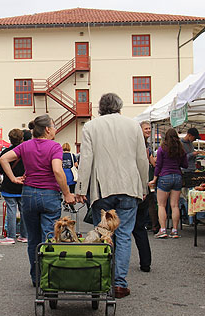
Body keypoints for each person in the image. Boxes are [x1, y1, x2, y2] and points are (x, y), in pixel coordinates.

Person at [75, 93, 148, 298]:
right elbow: (141, 159)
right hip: (129, 186)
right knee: (124, 235)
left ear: (100, 108)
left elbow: (86, 159)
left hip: (102, 188)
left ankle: (101, 278)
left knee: (104, 234)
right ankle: (119, 283)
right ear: (120, 106)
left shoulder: (91, 126)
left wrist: (81, 188)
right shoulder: (133, 125)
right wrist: (144, 186)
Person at [0, 114, 75, 286]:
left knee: (33, 238)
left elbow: (3, 159)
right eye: (54, 126)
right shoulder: (55, 146)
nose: (55, 129)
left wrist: (13, 178)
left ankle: (36, 277)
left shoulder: (25, 145)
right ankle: (49, 276)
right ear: (48, 129)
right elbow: (57, 170)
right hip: (49, 194)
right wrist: (67, 193)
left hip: (29, 194)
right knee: (49, 237)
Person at [148, 128, 188, 239]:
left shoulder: (162, 149)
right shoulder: (181, 149)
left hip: (164, 177)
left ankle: (163, 229)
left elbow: (158, 166)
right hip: (177, 177)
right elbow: (185, 164)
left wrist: (154, 179)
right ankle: (175, 230)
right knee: (175, 205)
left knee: (161, 205)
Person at [0, 129, 28, 244]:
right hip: (24, 184)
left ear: (10, 139)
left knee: (11, 210)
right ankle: (24, 235)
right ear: (22, 138)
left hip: (9, 184)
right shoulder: (26, 151)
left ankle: (10, 236)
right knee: (24, 210)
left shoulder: (6, 152)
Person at [132, 121, 153, 272]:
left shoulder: (131, 146)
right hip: (142, 188)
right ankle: (145, 263)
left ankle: (116, 264)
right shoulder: (144, 147)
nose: (148, 131)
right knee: (139, 228)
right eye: (146, 128)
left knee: (123, 230)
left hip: (132, 189)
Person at [61, 142, 78, 213]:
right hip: (70, 174)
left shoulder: (60, 155)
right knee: (71, 191)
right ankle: (72, 207)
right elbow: (76, 165)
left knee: (62, 190)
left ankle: (65, 202)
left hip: (62, 174)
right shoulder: (72, 155)